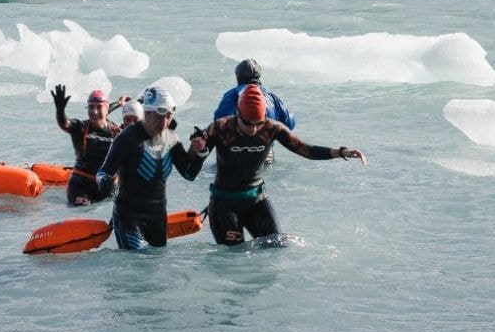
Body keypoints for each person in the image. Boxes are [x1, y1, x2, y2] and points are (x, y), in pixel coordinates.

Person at [189, 83, 366, 246]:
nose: (253, 130)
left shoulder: (272, 128)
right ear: (238, 114)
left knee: (276, 247)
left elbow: (306, 150)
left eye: (258, 124)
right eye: (248, 124)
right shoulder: (220, 128)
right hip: (224, 204)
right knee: (234, 258)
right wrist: (197, 150)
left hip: (256, 201)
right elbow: (191, 169)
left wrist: (341, 152)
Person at [96, 86, 198, 249]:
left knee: (155, 268)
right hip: (128, 218)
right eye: (160, 117)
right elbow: (102, 172)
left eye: (169, 117)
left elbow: (189, 173)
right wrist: (105, 182)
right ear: (147, 113)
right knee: (137, 265)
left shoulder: (171, 138)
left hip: (158, 219)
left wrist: (198, 152)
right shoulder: (126, 138)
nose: (165, 122)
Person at [214, 59, 295, 165]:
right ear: (258, 76)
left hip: (236, 154)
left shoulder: (232, 94)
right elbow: (289, 123)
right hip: (264, 155)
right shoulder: (271, 96)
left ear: (238, 77)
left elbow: (220, 124)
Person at [51, 84, 121, 206]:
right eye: (90, 107)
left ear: (107, 109)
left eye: (99, 107)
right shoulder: (80, 128)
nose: (94, 112)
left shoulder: (116, 131)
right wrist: (60, 110)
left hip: (107, 187)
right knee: (82, 209)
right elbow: (65, 124)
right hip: (81, 185)